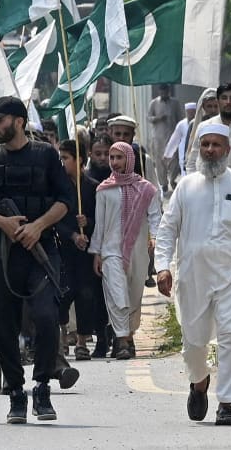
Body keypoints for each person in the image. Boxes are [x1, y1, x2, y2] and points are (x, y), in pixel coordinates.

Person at [156, 123, 231, 426]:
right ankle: (199, 383)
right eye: (205, 144)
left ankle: (227, 402)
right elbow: (168, 228)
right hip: (192, 276)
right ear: (199, 148)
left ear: (228, 149)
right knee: (194, 343)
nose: (210, 150)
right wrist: (161, 267)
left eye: (216, 145)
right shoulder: (186, 186)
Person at [0, 96, 75, 425]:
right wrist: (3, 223)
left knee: (45, 314)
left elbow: (65, 201)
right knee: (4, 325)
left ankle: (41, 385)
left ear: (19, 122)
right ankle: (15, 391)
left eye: (0, 121)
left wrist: (38, 226)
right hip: (2, 253)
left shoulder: (45, 156)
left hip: (41, 251)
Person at [89, 142, 161, 360]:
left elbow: (156, 217)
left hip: (139, 252)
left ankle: (128, 337)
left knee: (134, 295)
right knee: (117, 295)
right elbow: (100, 225)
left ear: (130, 159)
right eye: (112, 158)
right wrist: (97, 252)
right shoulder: (103, 190)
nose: (114, 162)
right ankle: (121, 340)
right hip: (111, 252)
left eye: (119, 158)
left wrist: (155, 238)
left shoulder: (147, 189)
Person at [56, 141, 107, 361]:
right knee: (63, 293)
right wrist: (73, 234)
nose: (62, 162)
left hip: (87, 251)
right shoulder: (58, 187)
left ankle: (82, 341)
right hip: (64, 250)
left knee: (86, 294)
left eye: (66, 158)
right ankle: (61, 337)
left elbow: (101, 219)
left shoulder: (93, 187)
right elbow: (55, 220)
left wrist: (88, 222)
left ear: (80, 161)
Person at [187, 84, 231, 182]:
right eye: (224, 98)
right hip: (211, 186)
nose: (228, 102)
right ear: (218, 101)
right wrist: (193, 186)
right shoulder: (204, 127)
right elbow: (192, 163)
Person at [147, 85, 182, 196]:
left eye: (165, 91)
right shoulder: (154, 103)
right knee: (159, 161)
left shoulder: (175, 103)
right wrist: (158, 118)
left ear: (168, 91)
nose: (164, 93)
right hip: (158, 138)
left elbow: (180, 118)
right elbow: (148, 117)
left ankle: (172, 179)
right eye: (162, 91)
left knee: (174, 160)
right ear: (159, 91)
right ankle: (164, 183)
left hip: (172, 137)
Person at [163, 102, 199, 178]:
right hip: (183, 153)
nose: (191, 114)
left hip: (196, 152)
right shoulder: (181, 124)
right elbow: (174, 140)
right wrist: (168, 154)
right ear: (186, 112)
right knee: (185, 174)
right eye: (189, 112)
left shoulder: (199, 122)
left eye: (192, 112)